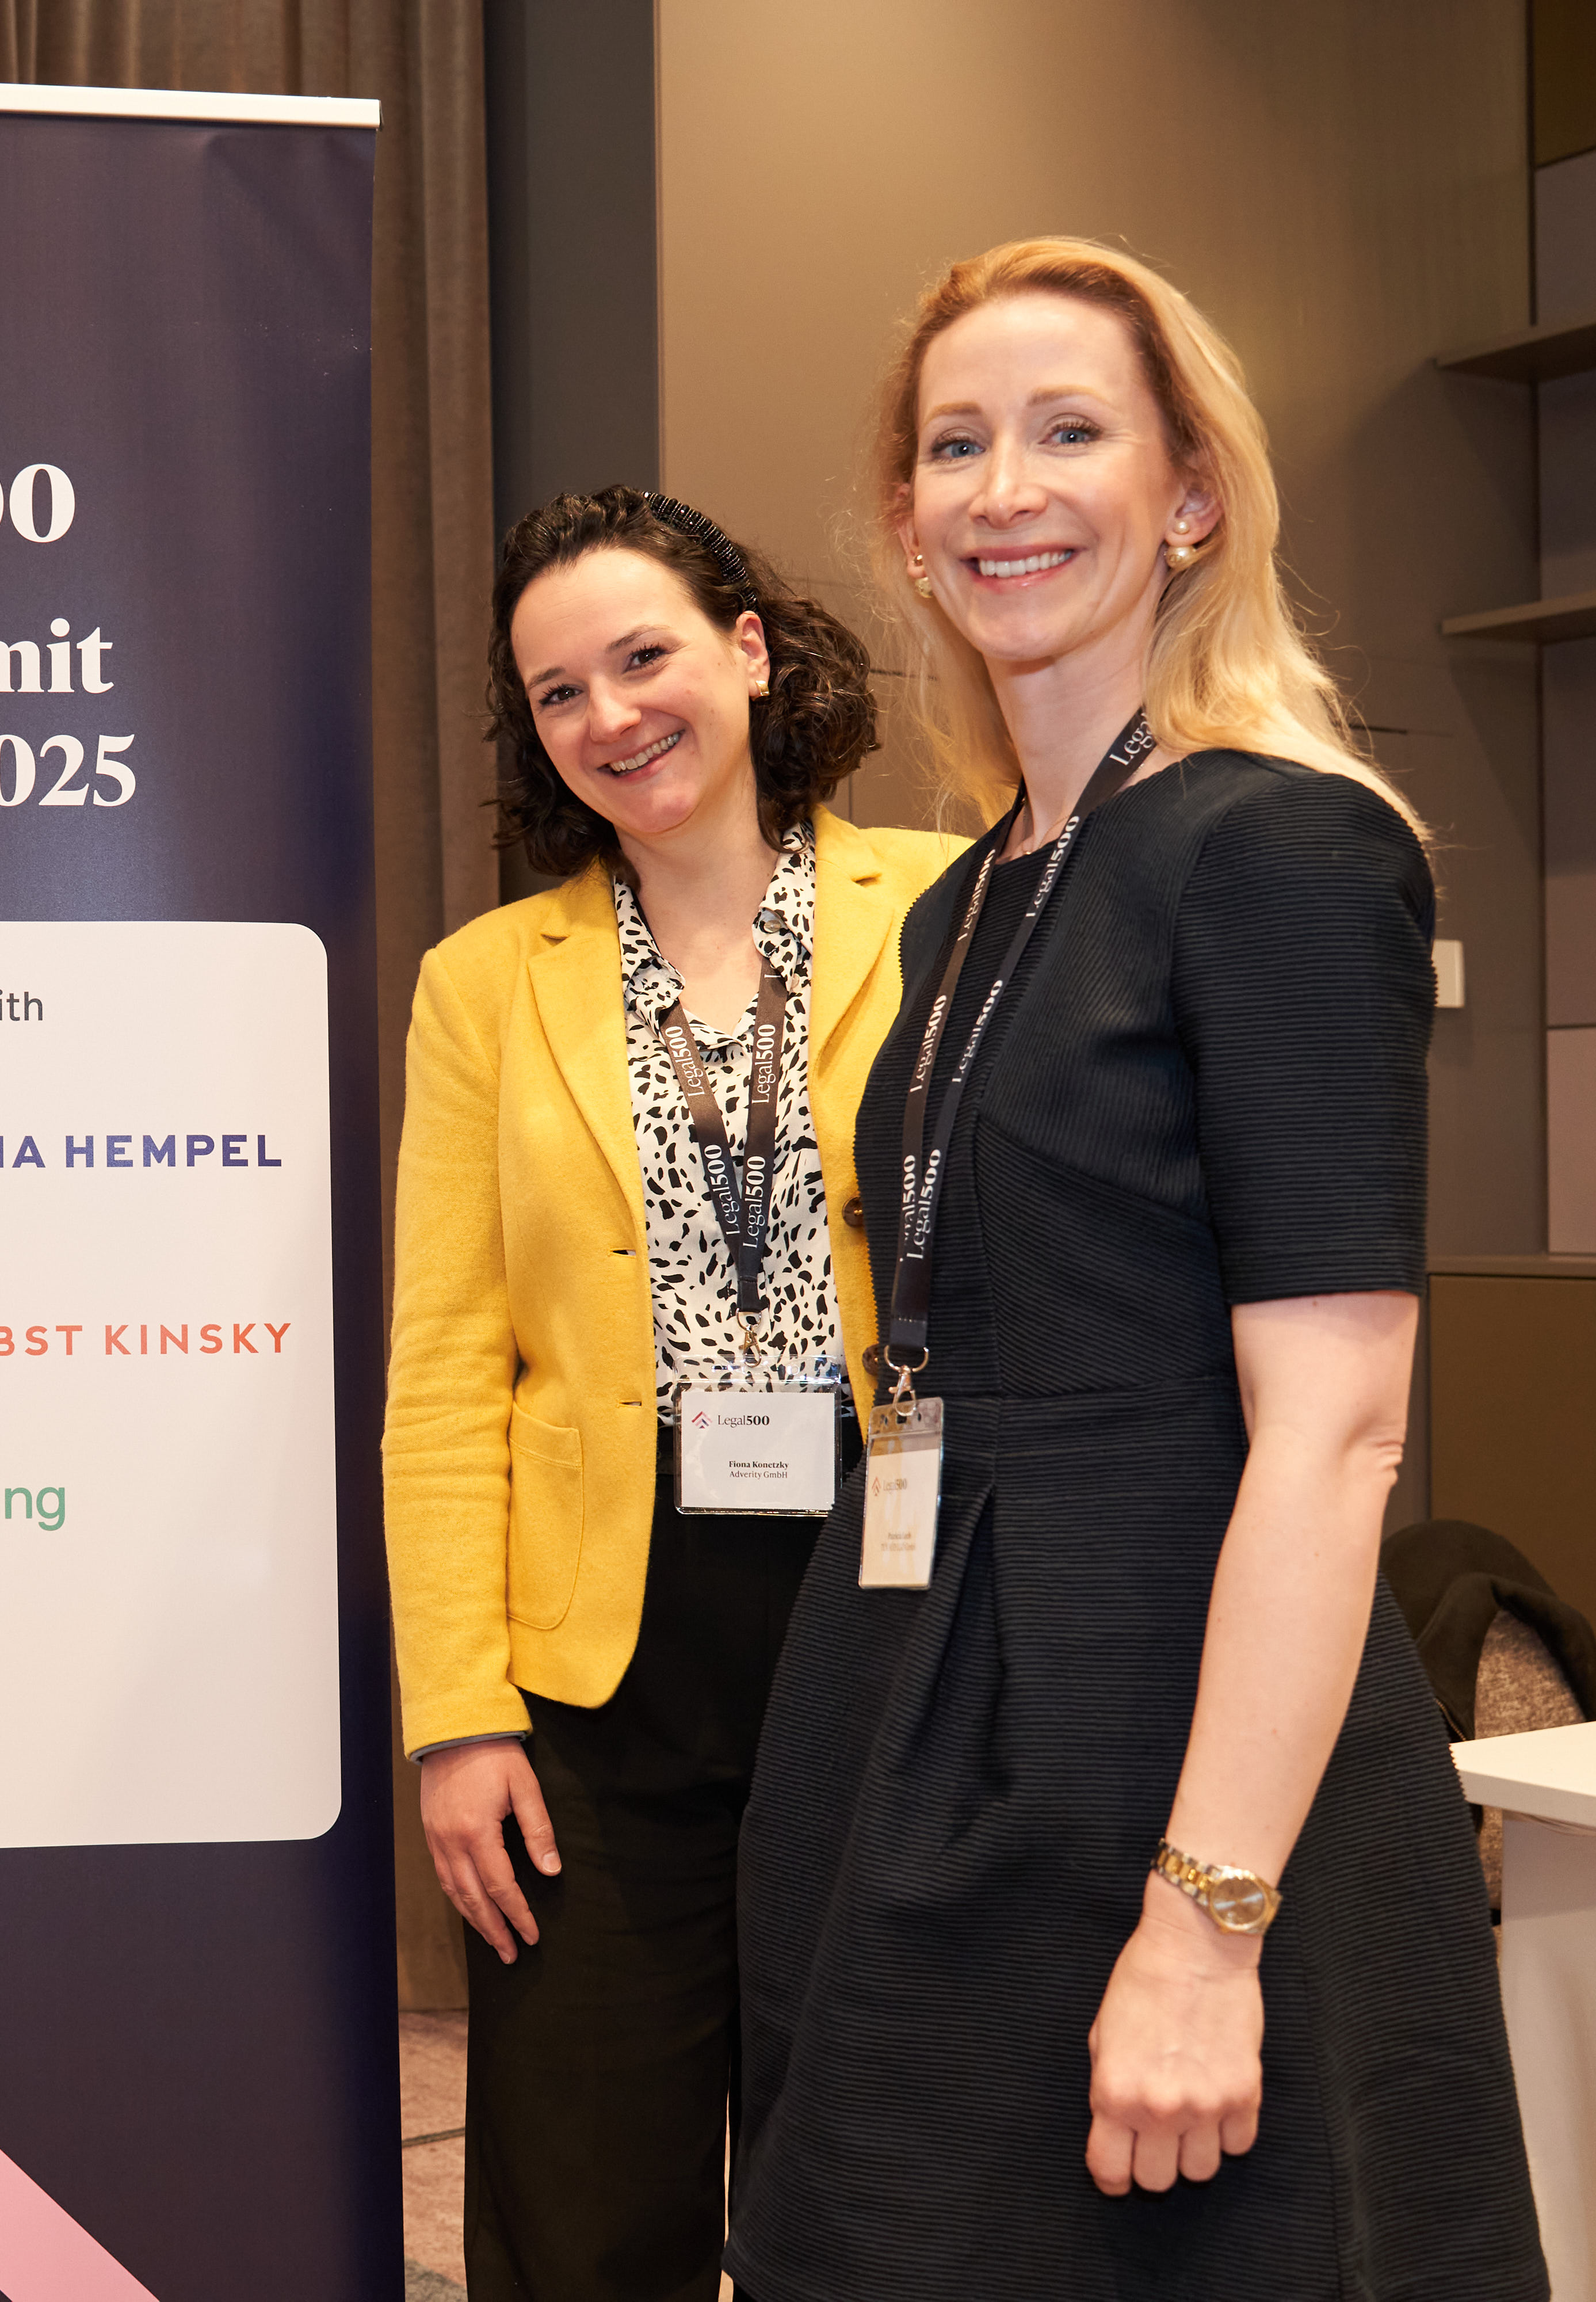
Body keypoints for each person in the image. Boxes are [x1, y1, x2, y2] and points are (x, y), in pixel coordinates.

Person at [723, 241, 1548, 2299]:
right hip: (932, 1680)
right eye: (956, 446)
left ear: (1189, 495)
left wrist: (1204, 1923)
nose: (1005, 489)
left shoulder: (1281, 848)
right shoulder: (969, 898)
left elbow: (1339, 1434)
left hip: (1171, 1719)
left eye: (1069, 431)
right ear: (905, 522)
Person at [386, 487, 960, 2299]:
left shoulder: (947, 905)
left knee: (874, 2187)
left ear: (750, 651)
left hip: (887, 1615)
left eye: (644, 657)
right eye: (559, 693)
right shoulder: (487, 985)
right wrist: (457, 1717)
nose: (612, 715)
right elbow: (443, 1378)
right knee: (583, 2210)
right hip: (599, 1672)